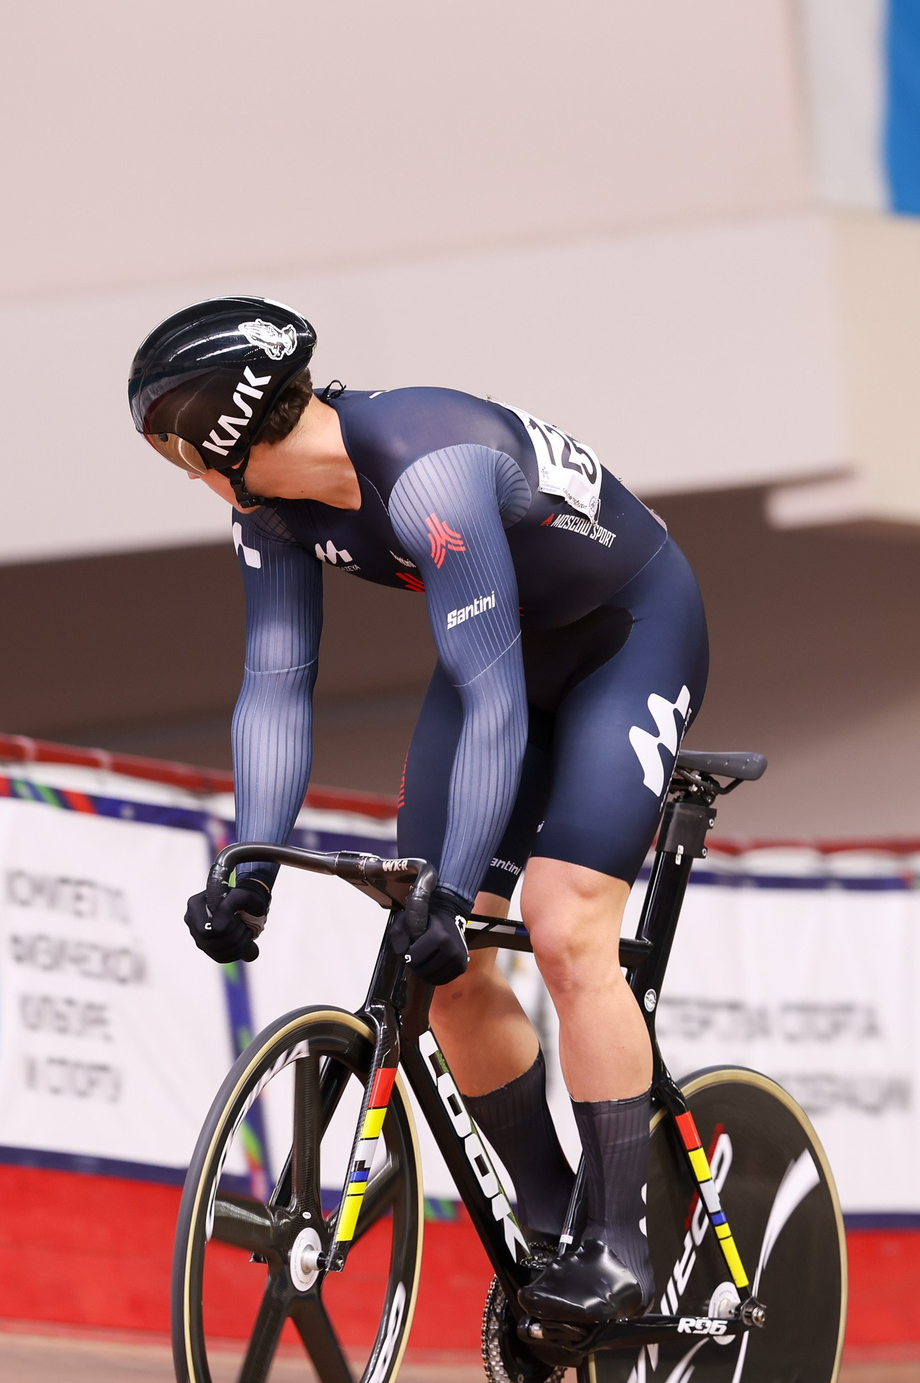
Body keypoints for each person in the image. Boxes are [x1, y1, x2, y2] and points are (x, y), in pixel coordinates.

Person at [131, 296, 707, 1326]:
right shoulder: (268, 515)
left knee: (566, 931)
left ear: (213, 436)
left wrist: (449, 887)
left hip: (629, 634)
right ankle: (547, 1232)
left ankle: (620, 1249)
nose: (177, 472)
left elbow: (490, 699)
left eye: (170, 447)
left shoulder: (429, 468)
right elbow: (274, 683)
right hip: (509, 654)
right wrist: (248, 867)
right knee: (437, 972)